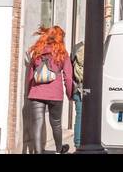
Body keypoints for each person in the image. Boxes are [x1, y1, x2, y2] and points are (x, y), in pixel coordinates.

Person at [23, 25, 73, 153]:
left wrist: (30, 91)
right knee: (56, 123)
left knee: (37, 124)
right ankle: (58, 150)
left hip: (37, 93)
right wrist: (69, 93)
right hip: (55, 94)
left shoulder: (38, 52)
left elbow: (30, 75)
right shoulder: (62, 54)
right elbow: (68, 77)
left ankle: (38, 152)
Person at [71, 41, 85, 149]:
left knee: (79, 116)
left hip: (77, 88)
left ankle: (78, 143)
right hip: (89, 89)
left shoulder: (75, 49)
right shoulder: (94, 51)